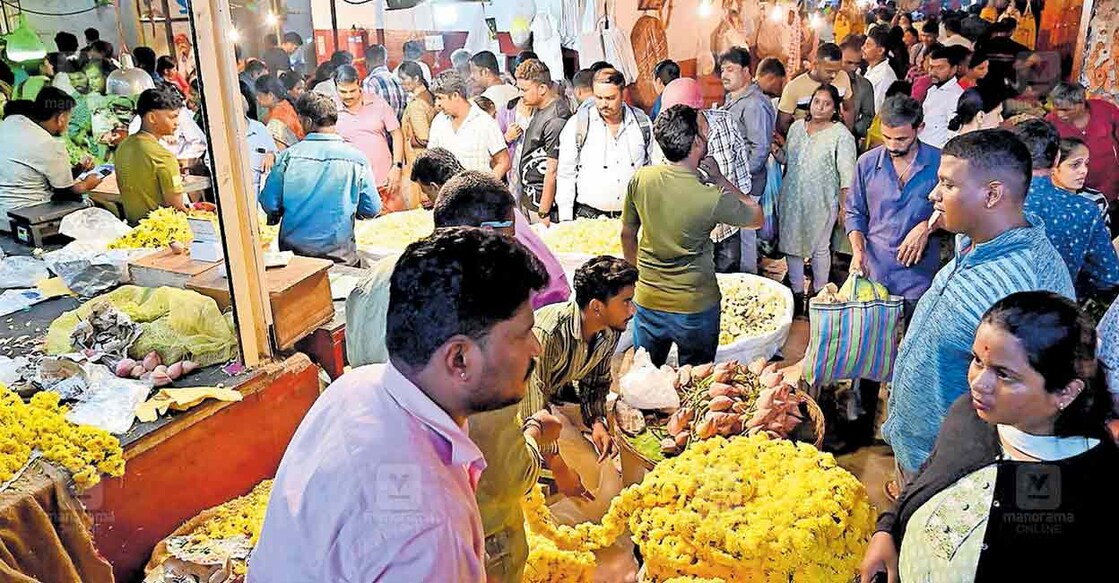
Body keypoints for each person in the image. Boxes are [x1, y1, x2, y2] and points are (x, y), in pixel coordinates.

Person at [250, 227, 547, 582]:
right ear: (460, 359)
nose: (536, 350)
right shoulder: (433, 537)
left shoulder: (353, 389)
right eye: (522, 335)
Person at [861, 291, 1117, 583]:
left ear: (1066, 392)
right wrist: (889, 529)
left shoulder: (1095, 487)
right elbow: (929, 473)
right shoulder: (970, 415)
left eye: (1004, 374)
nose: (978, 384)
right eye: (977, 361)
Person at [883, 129, 1075, 489]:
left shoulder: (1023, 289)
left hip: (951, 471)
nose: (933, 194)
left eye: (947, 184)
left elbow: (1029, 409)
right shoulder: (975, 242)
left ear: (992, 194)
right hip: (916, 447)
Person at [348, 163, 569, 365]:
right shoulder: (475, 302)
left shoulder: (377, 273)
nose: (512, 249)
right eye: (510, 237)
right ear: (488, 234)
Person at [621, 105, 763, 366]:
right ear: (697, 141)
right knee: (695, 383)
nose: (708, 131)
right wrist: (720, 178)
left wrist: (637, 278)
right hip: (695, 308)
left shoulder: (642, 178)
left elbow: (627, 235)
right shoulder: (711, 197)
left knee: (646, 377)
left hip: (648, 301)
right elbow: (756, 217)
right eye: (704, 127)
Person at [519, 256, 639, 523]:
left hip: (551, 396)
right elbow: (531, 408)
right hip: (515, 407)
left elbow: (596, 381)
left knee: (592, 462)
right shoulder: (548, 334)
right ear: (597, 307)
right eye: (625, 302)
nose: (631, 311)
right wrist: (559, 467)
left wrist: (597, 422)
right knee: (542, 488)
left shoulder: (609, 329)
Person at [258, 92, 380, 265]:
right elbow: (372, 208)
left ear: (307, 122)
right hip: (340, 257)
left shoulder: (287, 157)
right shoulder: (357, 159)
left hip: (295, 258)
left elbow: (269, 203)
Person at [1011, 119, 1119, 296]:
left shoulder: (991, 201)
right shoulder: (1084, 209)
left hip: (990, 313)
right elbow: (1108, 277)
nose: (1083, 170)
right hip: (1057, 310)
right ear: (1056, 159)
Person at [775, 84, 857, 313]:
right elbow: (788, 159)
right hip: (792, 197)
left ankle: (820, 294)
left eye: (827, 103)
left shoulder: (841, 135)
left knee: (820, 247)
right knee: (791, 246)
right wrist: (776, 151)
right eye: (816, 101)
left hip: (822, 200)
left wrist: (844, 206)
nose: (820, 107)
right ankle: (797, 292)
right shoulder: (797, 128)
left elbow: (847, 176)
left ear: (835, 109)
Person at [659, 77, 753, 274]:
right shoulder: (666, 135)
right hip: (692, 235)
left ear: (698, 110)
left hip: (728, 227)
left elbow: (741, 168)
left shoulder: (725, 122)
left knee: (730, 285)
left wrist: (741, 204)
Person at [555, 70, 654, 222]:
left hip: (634, 217)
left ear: (623, 94)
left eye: (610, 98)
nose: (603, 104)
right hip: (588, 218)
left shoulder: (642, 123)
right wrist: (566, 220)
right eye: (598, 97)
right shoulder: (578, 124)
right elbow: (566, 173)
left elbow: (656, 169)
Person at [0, 88, 102, 231]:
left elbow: (36, 172)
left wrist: (78, 168)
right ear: (60, 118)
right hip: (26, 217)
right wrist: (87, 184)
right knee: (93, 207)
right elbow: (64, 192)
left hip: (2, 215)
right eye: (69, 118)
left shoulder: (10, 124)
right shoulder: (48, 143)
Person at [722, 47, 780, 273]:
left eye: (730, 69)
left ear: (746, 71)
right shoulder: (733, 98)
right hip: (733, 180)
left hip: (747, 182)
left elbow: (761, 148)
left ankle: (748, 277)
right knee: (740, 233)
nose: (724, 75)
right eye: (722, 70)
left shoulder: (754, 103)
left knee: (745, 234)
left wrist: (741, 182)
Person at [333, 65, 405, 210]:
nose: (348, 96)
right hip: (353, 186)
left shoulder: (378, 102)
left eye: (352, 90)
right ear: (335, 87)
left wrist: (397, 166)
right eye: (343, 92)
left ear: (359, 83)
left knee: (397, 225)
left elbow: (397, 134)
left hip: (386, 180)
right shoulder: (332, 109)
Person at [115, 87, 186, 224]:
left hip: (133, 228)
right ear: (152, 117)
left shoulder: (123, 147)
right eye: (172, 117)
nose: (177, 123)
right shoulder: (164, 157)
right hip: (161, 233)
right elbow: (177, 208)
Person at [513, 58, 571, 222]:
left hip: (544, 207)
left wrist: (544, 212)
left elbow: (553, 169)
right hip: (530, 200)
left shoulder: (556, 118)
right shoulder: (540, 109)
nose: (520, 94)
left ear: (542, 88)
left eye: (524, 90)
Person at [1046, 82, 1119, 204]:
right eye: (1056, 109)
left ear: (1081, 104)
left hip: (1111, 186)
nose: (1060, 114)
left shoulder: (1106, 110)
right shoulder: (1051, 122)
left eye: (1065, 110)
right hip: (1072, 191)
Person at [428, 71, 511, 178]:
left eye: (440, 98)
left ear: (455, 95)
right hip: (446, 192)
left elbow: (503, 162)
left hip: (476, 192)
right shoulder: (439, 122)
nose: (437, 104)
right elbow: (431, 160)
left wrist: (486, 189)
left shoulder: (484, 122)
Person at [777, 42, 854, 135]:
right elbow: (783, 124)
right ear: (815, 64)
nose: (834, 76)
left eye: (837, 71)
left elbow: (848, 109)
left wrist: (848, 134)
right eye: (829, 71)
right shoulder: (794, 87)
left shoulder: (843, 77)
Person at [398, 60, 436, 209]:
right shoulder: (428, 96)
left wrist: (409, 140)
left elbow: (424, 138)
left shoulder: (417, 106)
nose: (401, 83)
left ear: (416, 78)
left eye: (404, 79)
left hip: (419, 161)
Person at [918, 45, 966, 148]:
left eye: (940, 68)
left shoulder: (956, 96)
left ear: (954, 69)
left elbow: (954, 134)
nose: (933, 72)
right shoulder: (932, 89)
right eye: (931, 67)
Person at [1052, 137, 1109, 222]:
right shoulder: (1033, 203)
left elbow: (1105, 234)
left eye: (1086, 163)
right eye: (1075, 165)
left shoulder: (1096, 200)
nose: (1084, 171)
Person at [841, 36, 878, 144]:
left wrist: (853, 130)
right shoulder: (825, 81)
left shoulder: (864, 85)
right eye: (848, 62)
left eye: (856, 63)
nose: (853, 68)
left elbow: (868, 116)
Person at [254, 74, 304, 147]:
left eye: (259, 95)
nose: (257, 98)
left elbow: (278, 150)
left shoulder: (277, 121)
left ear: (270, 95)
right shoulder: (284, 105)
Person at [362, 44, 408, 120]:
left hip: (380, 130)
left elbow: (369, 112)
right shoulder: (397, 78)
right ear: (386, 61)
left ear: (367, 63)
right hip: (398, 128)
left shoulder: (370, 82)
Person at [864, 27, 899, 112]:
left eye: (868, 45)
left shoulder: (884, 76)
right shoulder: (871, 68)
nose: (863, 48)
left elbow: (876, 109)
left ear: (880, 50)